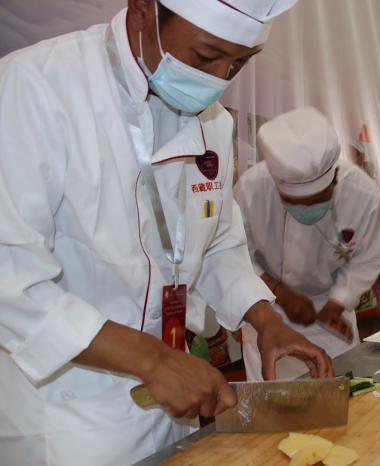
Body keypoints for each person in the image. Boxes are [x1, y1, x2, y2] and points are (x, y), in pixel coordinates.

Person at [0, 1, 335, 464]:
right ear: (142, 10)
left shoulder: (213, 122)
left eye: (238, 63)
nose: (218, 79)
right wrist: (152, 359)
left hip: (171, 406)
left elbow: (218, 243)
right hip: (64, 420)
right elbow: (10, 278)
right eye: (206, 56)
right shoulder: (35, 88)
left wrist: (266, 321)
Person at [234, 107, 380, 381]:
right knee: (273, 400)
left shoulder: (363, 194)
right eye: (294, 203)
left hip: (329, 313)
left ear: (334, 178)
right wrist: (280, 292)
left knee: (340, 391)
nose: (306, 211)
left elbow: (366, 259)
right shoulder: (250, 190)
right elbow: (235, 253)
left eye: (317, 200)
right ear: (275, 183)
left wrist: (337, 303)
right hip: (266, 312)